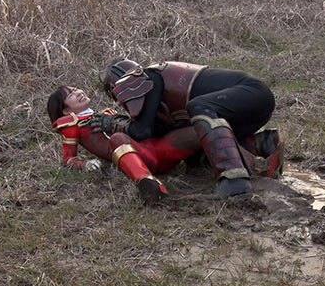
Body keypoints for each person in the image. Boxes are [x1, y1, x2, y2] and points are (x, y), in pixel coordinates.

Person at [92, 58, 283, 198]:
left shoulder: (151, 77)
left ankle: (235, 181)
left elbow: (142, 131)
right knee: (196, 150)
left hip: (252, 94)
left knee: (198, 106)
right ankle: (261, 144)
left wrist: (113, 123)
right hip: (251, 103)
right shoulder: (155, 83)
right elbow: (158, 131)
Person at [47, 85, 202, 202]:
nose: (78, 92)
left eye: (76, 89)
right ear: (65, 110)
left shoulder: (108, 113)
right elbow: (68, 158)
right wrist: (84, 163)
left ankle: (208, 162)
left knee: (197, 130)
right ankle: (147, 182)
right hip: (141, 157)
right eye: (71, 94)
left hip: (156, 148)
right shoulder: (71, 124)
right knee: (118, 138)